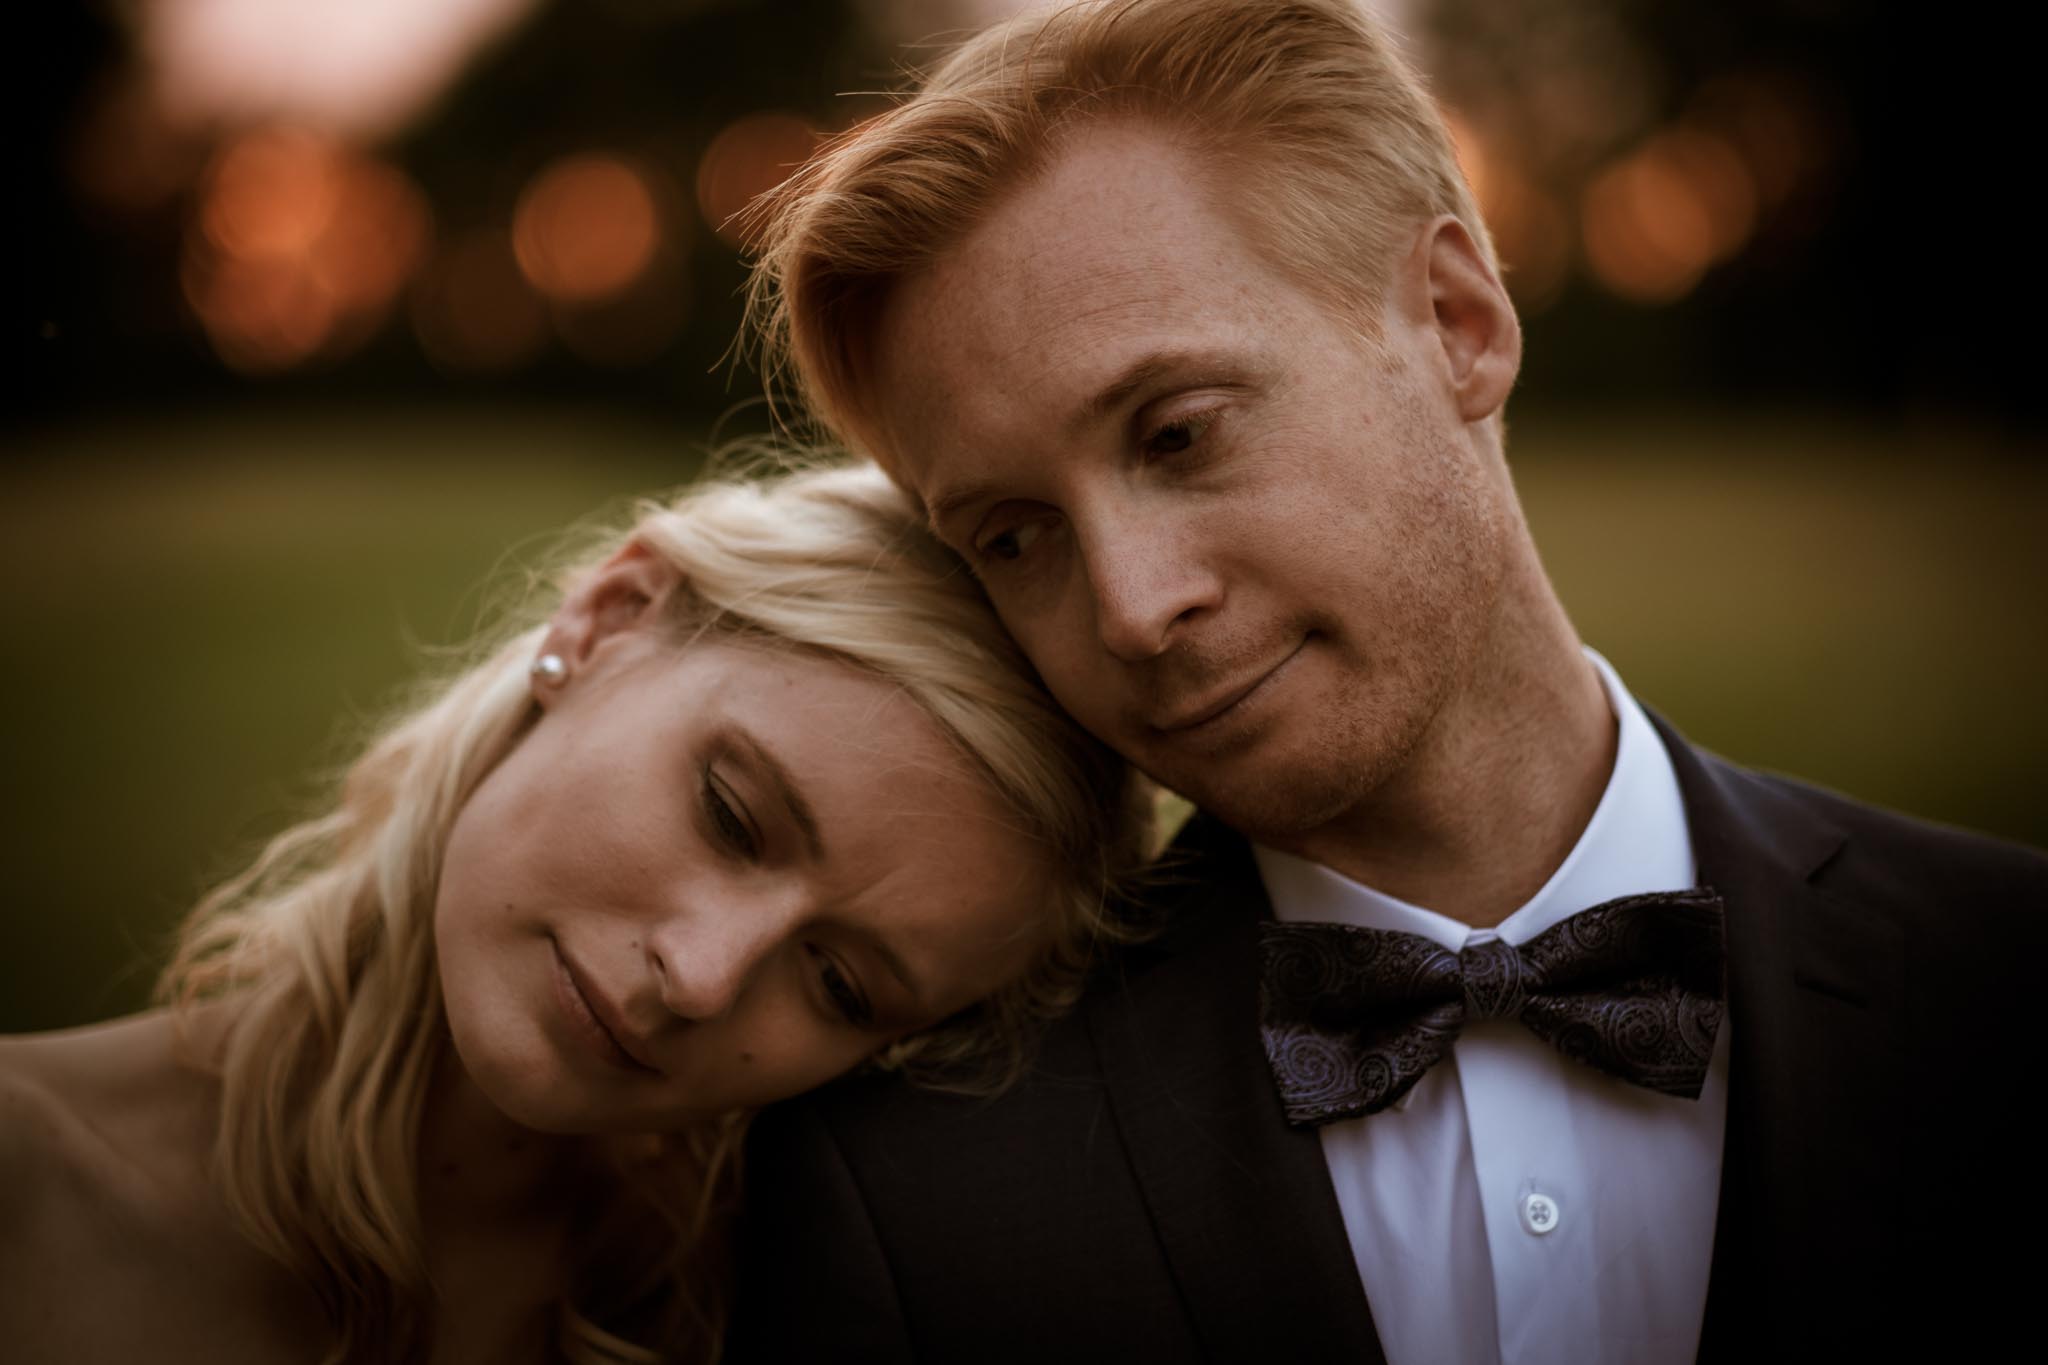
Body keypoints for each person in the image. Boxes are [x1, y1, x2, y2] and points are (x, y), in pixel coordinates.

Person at [728, 2, 2048, 1362]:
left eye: (1177, 435)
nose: (1130, 608)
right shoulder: (913, 1185)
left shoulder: (2007, 985)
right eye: (1014, 537)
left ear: (1458, 323)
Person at [0, 460, 1148, 1364]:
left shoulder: (771, 1323)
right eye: (729, 815)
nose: (699, 979)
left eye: (842, 987)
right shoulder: (27, 1180)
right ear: (607, 619)